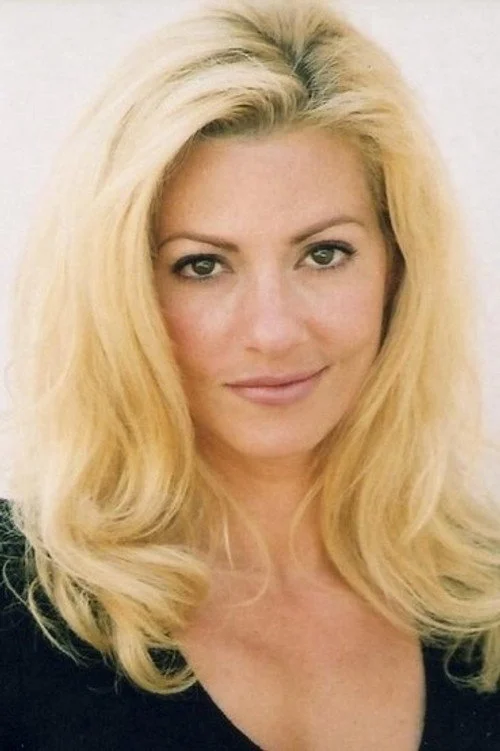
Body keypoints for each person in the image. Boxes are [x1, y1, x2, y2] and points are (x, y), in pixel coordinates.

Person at [1, 0, 499, 748]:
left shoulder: (485, 601)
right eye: (202, 265)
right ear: (121, 292)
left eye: (324, 254)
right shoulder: (17, 612)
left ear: (397, 269)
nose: (272, 331)